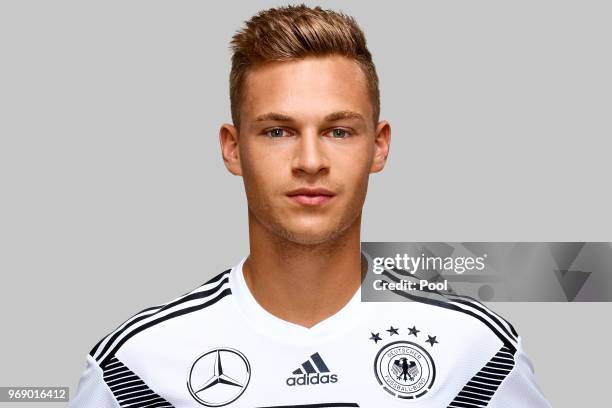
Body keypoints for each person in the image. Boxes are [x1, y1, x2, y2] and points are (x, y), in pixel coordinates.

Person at [70, 4, 551, 407]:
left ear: (378, 147)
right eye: (277, 131)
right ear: (233, 149)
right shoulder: (137, 367)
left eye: (339, 131)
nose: (310, 161)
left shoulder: (475, 353)